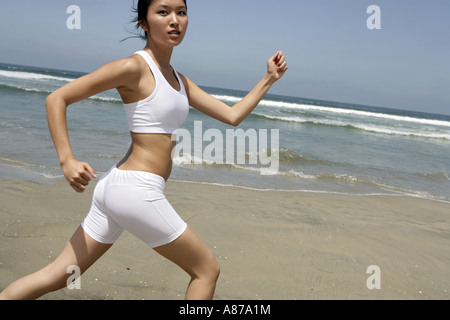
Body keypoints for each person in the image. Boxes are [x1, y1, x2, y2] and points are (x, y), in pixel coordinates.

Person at [0, 0, 287, 300]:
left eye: (181, 12)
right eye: (163, 12)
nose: (174, 20)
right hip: (136, 190)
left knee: (58, 274)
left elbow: (232, 115)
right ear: (144, 24)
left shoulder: (179, 81)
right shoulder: (133, 67)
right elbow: (57, 99)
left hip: (116, 189)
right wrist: (66, 160)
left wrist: (268, 78)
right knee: (206, 270)